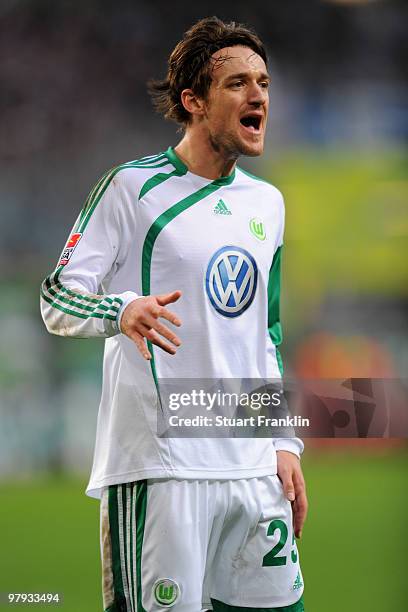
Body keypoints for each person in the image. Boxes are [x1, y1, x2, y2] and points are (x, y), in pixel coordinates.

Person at [41, 16, 307, 612]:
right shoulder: (129, 189)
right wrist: (122, 308)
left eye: (263, 82)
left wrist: (284, 442)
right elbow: (57, 297)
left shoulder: (268, 202)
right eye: (237, 83)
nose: (258, 95)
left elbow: (265, 334)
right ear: (193, 101)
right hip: (163, 471)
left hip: (251, 469)